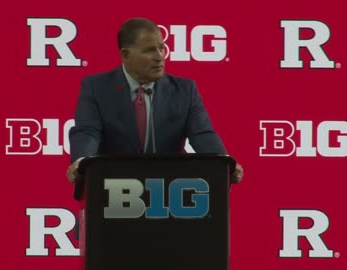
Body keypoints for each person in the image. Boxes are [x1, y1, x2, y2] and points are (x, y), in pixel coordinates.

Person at [67, 17, 243, 185]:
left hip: (169, 190)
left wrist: (224, 163)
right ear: (125, 55)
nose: (160, 56)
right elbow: (87, 131)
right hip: (112, 188)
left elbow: (202, 134)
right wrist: (82, 162)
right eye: (150, 50)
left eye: (162, 48)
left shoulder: (185, 90)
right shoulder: (96, 87)